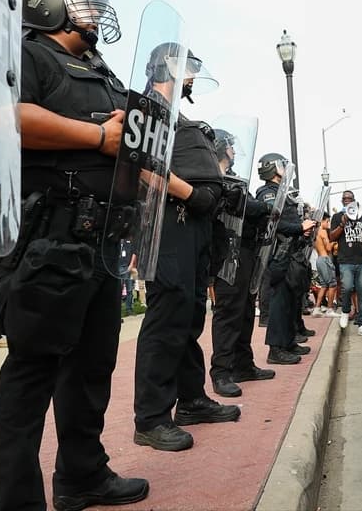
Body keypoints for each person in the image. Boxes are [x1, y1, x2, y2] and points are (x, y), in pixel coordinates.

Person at [0, 0, 148, 511]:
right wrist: (100, 136)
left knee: (91, 365)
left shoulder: (101, 72)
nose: (99, 12)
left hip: (102, 236)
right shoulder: (29, 55)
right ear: (50, 4)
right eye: (86, 1)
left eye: (101, 1)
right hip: (48, 234)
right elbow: (2, 116)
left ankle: (81, 475)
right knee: (33, 369)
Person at [133, 46, 241, 452]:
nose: (192, 77)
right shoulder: (148, 108)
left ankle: (191, 399)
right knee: (167, 318)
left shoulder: (177, 115)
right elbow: (140, 163)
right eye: (186, 69)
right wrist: (190, 192)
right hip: (168, 222)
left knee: (191, 313)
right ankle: (151, 417)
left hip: (196, 225)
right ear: (166, 68)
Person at [209, 129, 276, 398]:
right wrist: (261, 208)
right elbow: (238, 207)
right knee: (228, 312)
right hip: (227, 252)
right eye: (231, 146)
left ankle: (243, 364)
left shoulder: (234, 179)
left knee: (246, 308)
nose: (234, 151)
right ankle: (221, 371)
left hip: (246, 250)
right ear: (222, 147)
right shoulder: (214, 177)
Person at [257, 153, 316, 365]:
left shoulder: (283, 193)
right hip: (279, 255)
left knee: (291, 302)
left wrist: (304, 230)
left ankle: (289, 342)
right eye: (281, 165)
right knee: (279, 303)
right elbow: (275, 223)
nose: (284, 168)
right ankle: (275, 349)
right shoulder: (267, 193)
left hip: (292, 254)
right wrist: (300, 227)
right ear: (272, 169)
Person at [328, 189, 362, 335]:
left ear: (354, 201)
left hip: (361, 260)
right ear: (342, 201)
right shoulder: (337, 217)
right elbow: (332, 237)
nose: (347, 200)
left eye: (350, 198)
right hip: (346, 260)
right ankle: (345, 311)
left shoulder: (360, 217)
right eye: (345, 198)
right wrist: (342, 225)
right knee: (347, 287)